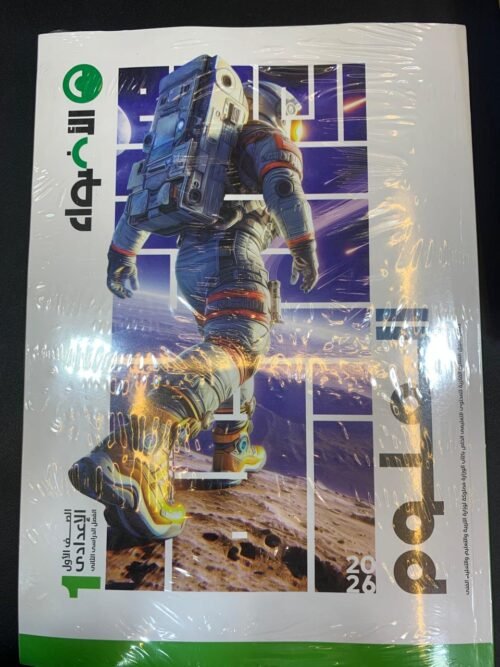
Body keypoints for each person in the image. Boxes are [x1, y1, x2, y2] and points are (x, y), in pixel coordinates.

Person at [69, 77, 319, 540]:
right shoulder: (260, 135)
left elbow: (142, 202)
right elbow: (283, 184)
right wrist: (303, 244)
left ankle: (232, 449)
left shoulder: (197, 146)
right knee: (238, 347)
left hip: (194, 266)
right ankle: (135, 449)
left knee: (228, 351)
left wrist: (122, 255)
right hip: (232, 256)